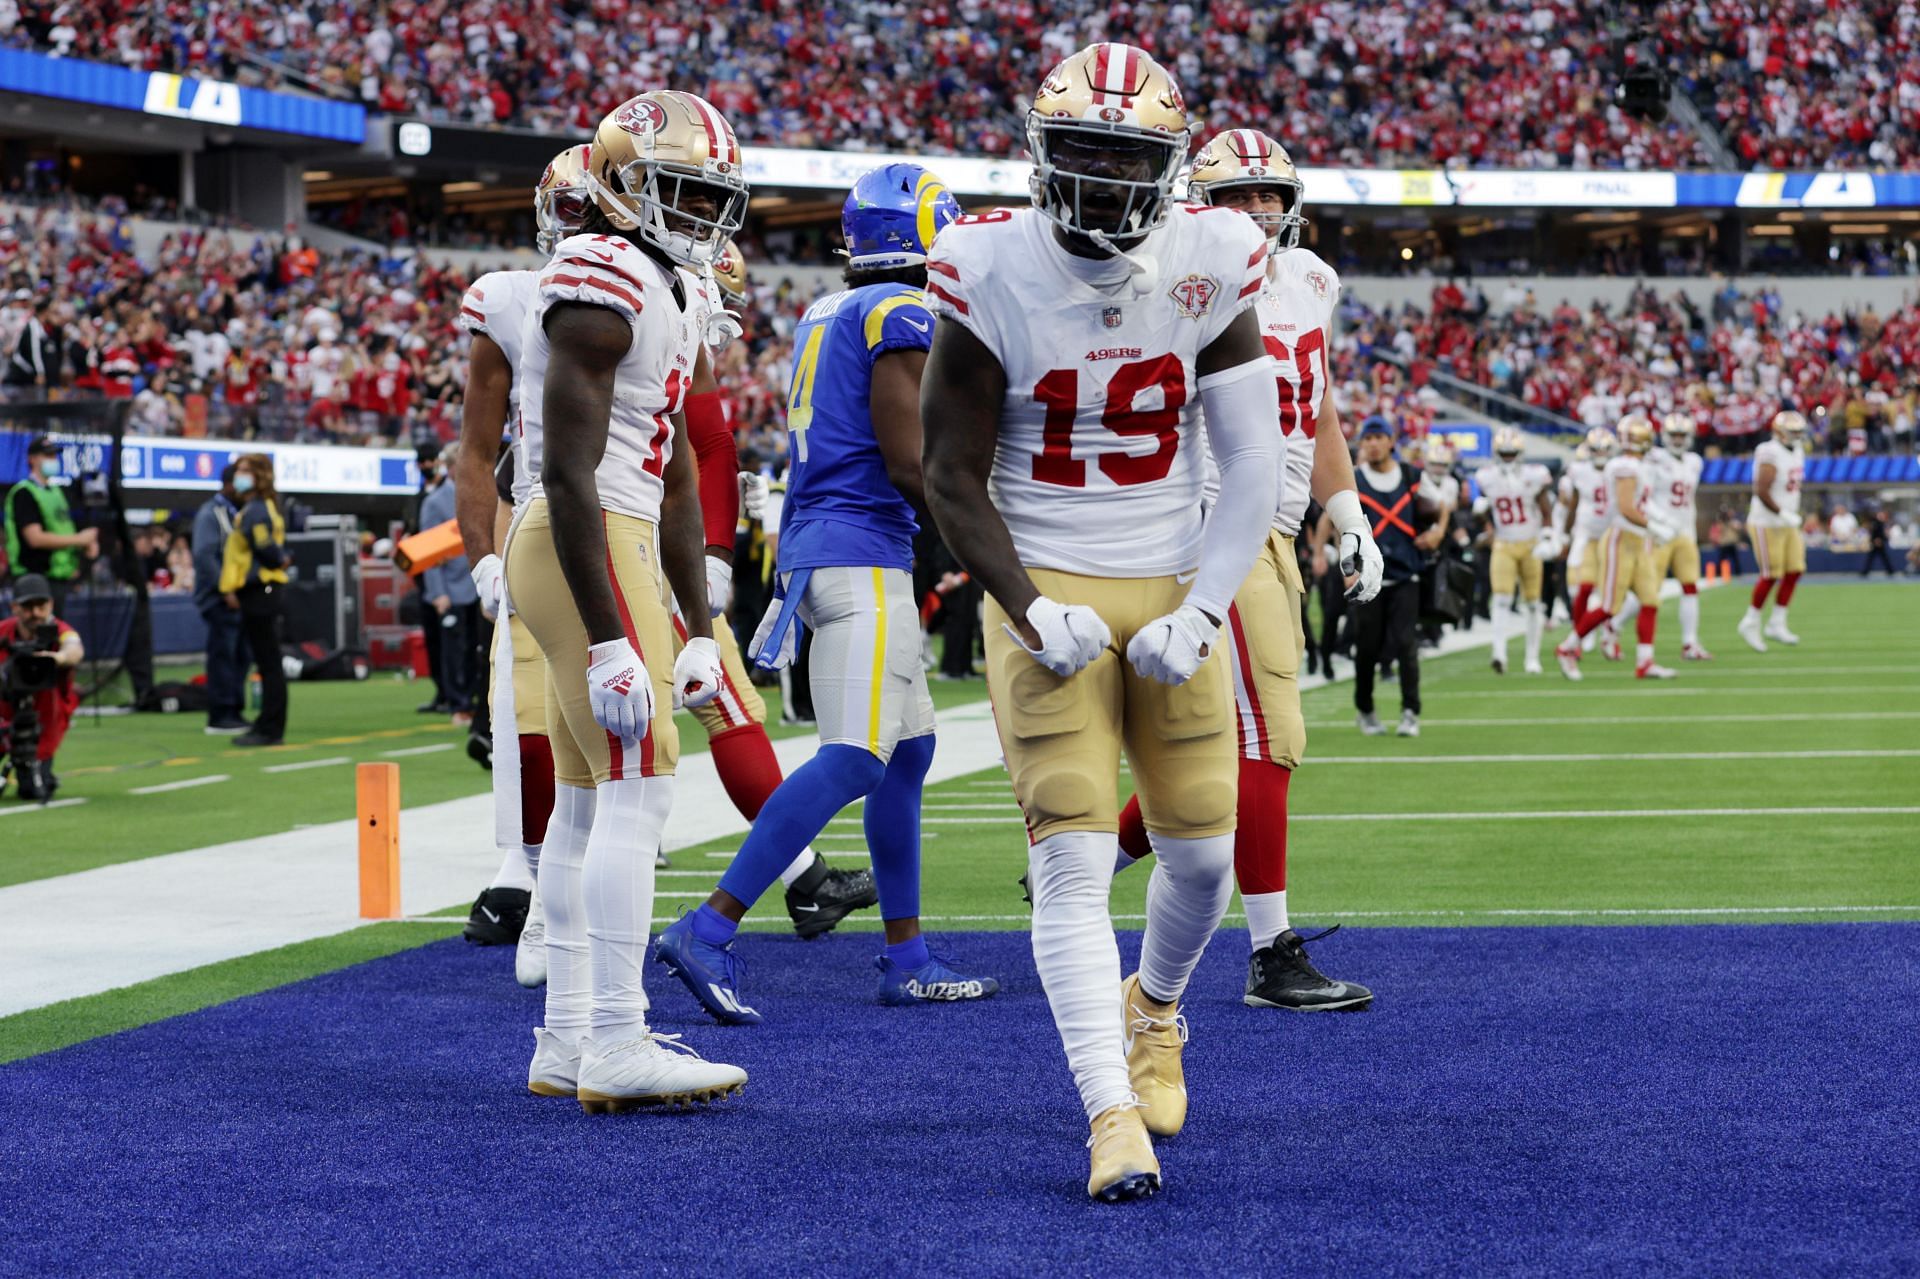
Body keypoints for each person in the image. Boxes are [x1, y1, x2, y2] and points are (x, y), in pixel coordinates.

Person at [920, 43, 1282, 1201]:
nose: (1104, 177)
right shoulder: (985, 263)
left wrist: (1208, 604)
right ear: (1038, 148)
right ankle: (1108, 1114)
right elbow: (948, 474)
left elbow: (1253, 458)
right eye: (1081, 147)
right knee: (1073, 865)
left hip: (1173, 573)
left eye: (1128, 157)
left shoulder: (1214, 256)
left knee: (1204, 855)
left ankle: (1157, 1009)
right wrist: (1025, 607)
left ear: (1172, 168)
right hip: (1045, 580)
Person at [654, 162, 996, 1025]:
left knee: (907, 754)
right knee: (855, 755)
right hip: (859, 551)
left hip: (831, 544)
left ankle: (908, 952)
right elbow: (906, 458)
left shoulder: (830, 307)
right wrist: (991, 540)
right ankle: (708, 927)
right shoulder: (897, 311)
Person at [502, 90, 749, 1111]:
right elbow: (569, 470)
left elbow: (681, 472)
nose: (697, 215)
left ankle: (567, 1037)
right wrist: (614, 636)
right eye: (676, 191)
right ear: (622, 183)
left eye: (709, 196)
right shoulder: (602, 271)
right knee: (641, 785)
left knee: (585, 799)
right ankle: (615, 1036)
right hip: (584, 535)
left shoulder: (666, 284)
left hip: (615, 534)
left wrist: (696, 622)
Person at [1108, 126, 1381, 1013]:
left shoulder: (1311, 280)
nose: (1259, 209)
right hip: (1220, 521)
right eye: (1239, 197)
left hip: (1279, 526)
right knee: (1271, 736)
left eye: (1270, 193)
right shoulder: (1178, 275)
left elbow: (1320, 410)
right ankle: (1271, 951)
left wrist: (1349, 518)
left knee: (1219, 739)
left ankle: (1082, 853)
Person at [450, 145, 588, 975]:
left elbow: (691, 444)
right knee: (522, 709)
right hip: (543, 518)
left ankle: (564, 896)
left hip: (627, 520)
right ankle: (527, 876)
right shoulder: (507, 299)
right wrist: (481, 557)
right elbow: (479, 449)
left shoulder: (660, 288)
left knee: (629, 731)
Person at [1554, 415, 1676, 681]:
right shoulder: (1624, 467)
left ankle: (1645, 662)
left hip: (1637, 540)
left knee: (1651, 600)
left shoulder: (1639, 466)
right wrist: (1655, 528)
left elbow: (1641, 503)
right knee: (1609, 605)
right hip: (1620, 540)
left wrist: (1662, 519)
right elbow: (1626, 508)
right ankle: (1567, 647)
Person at [1351, 420, 1439, 735]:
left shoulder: (1413, 477)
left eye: (1379, 437)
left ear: (1391, 441)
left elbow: (1442, 507)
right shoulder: (1354, 479)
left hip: (1405, 574)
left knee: (1406, 644)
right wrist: (1342, 564)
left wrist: (1436, 534)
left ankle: (1410, 712)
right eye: (1368, 438)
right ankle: (1365, 709)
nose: (1373, 444)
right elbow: (1335, 522)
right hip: (1369, 578)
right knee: (1367, 648)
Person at [219, 454, 291, 745]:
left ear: (259, 476)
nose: (240, 475)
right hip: (259, 591)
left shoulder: (255, 511)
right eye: (239, 470)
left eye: (246, 470)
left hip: (261, 591)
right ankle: (266, 724)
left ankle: (271, 729)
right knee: (266, 663)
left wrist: (280, 560)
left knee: (269, 663)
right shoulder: (256, 508)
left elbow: (266, 549)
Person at [1473, 428, 1556, 675]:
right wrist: (1485, 523)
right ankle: (1499, 653)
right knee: (1500, 599)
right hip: (1504, 543)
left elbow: (1545, 510)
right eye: (1504, 453)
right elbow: (1482, 512)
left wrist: (1548, 535)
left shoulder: (1535, 475)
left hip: (1530, 543)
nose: (1508, 457)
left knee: (1532, 603)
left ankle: (1532, 658)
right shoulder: (1487, 477)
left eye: (1512, 453)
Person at [0, 574, 83, 801]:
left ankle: (41, 776)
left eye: (41, 605)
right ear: (14, 607)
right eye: (28, 607)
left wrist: (56, 658)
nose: (35, 613)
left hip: (44, 718)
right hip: (4, 711)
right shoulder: (3, 632)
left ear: (51, 605)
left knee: (32, 790)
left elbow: (74, 648)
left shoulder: (61, 631)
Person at [419, 441, 481, 716]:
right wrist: (437, 593)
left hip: (477, 585)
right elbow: (429, 554)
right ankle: (458, 702)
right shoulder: (435, 502)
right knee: (453, 650)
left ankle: (472, 698)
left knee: (474, 648)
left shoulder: (480, 494)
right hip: (452, 588)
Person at [1739, 411, 1809, 651]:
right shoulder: (1769, 451)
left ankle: (1777, 623)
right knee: (1770, 574)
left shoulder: (1797, 451)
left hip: (1787, 522)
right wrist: (1783, 513)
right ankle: (1751, 621)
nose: (1797, 437)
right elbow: (1762, 489)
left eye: (1800, 432)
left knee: (1795, 570)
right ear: (1779, 432)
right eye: (1793, 432)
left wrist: (1790, 515)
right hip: (1766, 522)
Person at [5, 436, 98, 614]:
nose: (53, 460)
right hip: (33, 577)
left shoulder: (56, 492)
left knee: (53, 632)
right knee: (36, 630)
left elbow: (62, 529)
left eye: (54, 456)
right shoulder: (24, 493)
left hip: (58, 576)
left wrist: (83, 546)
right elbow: (35, 538)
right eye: (47, 456)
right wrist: (79, 540)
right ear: (32, 459)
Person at [1645, 413, 1711, 660]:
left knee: (1690, 586)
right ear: (1664, 435)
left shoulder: (1694, 461)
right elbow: (1644, 497)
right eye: (1674, 435)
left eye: (1682, 435)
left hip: (1684, 532)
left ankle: (1689, 643)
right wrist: (1660, 521)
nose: (1678, 439)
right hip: (1660, 533)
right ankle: (1613, 627)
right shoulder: (1654, 460)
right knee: (1648, 590)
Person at [191, 463, 251, 734]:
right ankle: (220, 713)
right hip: (219, 597)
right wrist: (224, 589)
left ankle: (235, 709)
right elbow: (205, 555)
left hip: (239, 594)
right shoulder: (210, 513)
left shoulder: (237, 512)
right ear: (228, 484)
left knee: (241, 655)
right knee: (223, 654)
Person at [1862, 508, 1896, 576]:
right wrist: (1874, 540)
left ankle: (1890, 571)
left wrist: (1881, 540)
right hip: (1875, 543)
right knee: (1872, 558)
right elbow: (1873, 533)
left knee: (1882, 558)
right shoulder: (1875, 523)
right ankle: (1865, 572)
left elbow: (1884, 534)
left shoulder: (1883, 524)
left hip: (1880, 543)